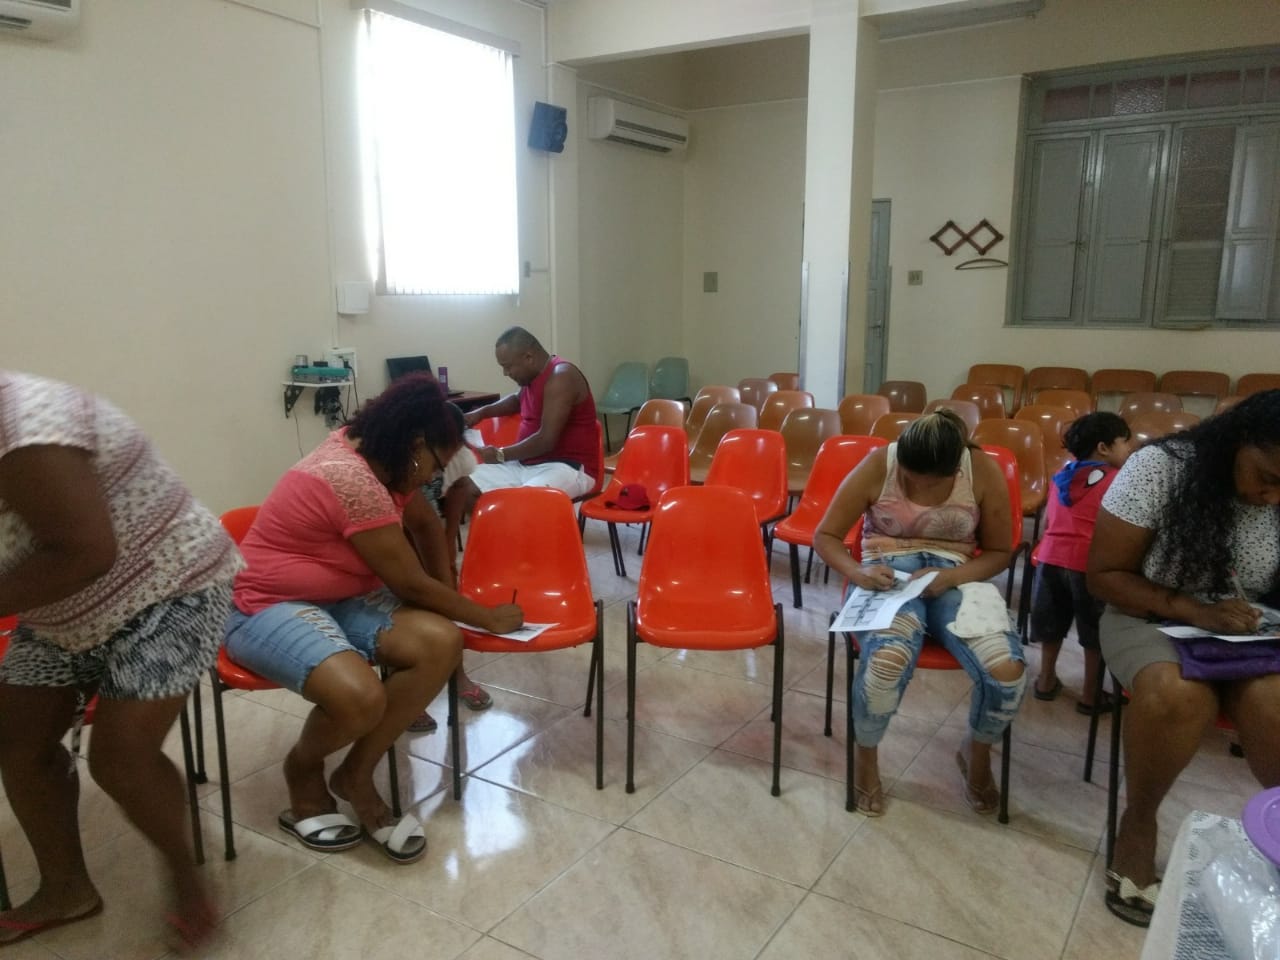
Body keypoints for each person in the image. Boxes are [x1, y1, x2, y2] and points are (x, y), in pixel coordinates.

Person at [224, 374, 521, 865]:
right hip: (265, 604)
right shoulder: (351, 478)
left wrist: (449, 597)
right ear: (416, 444)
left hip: (341, 598)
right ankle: (302, 771)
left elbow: (425, 525)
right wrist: (486, 616)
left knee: (441, 643)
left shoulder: (382, 460)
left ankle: (355, 774)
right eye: (436, 464)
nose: (432, 477)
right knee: (361, 698)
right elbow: (408, 583)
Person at [0, 370, 242, 950]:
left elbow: (85, 551)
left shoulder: (23, 426)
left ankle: (187, 880)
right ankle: (67, 889)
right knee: (18, 744)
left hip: (170, 585)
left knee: (121, 758)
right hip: (60, 609)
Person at [1088, 389, 1280, 928]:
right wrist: (1197, 610)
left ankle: (1276, 831)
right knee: (1178, 695)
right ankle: (1138, 822)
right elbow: (1105, 576)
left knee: (1274, 703)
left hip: (1251, 624)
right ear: (1236, 442)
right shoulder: (1160, 469)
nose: (1272, 497)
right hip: (1149, 614)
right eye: (1266, 477)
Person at [815, 409, 1027, 817]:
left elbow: (1001, 551)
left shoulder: (980, 469)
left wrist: (951, 577)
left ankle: (976, 750)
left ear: (955, 466)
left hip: (956, 574)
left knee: (1007, 673)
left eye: (930, 483)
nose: (916, 487)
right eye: (910, 478)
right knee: (886, 663)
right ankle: (866, 756)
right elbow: (825, 536)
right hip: (885, 573)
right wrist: (857, 571)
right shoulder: (880, 463)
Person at [442, 326, 598, 568]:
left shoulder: (562, 377)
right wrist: (481, 413)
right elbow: (517, 400)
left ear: (528, 357)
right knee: (462, 484)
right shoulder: (532, 378)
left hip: (569, 467)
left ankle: (536, 564)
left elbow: (546, 440)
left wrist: (501, 454)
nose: (506, 373)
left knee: (524, 503)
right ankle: (499, 550)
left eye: (508, 366)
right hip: (526, 464)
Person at [1030, 412, 1133, 712]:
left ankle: (1045, 681)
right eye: (1125, 442)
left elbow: (1047, 521)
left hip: (1050, 557)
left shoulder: (1062, 474)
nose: (1130, 449)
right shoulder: (1118, 479)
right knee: (1093, 632)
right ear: (1104, 448)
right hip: (1089, 564)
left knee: (1051, 625)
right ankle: (1091, 695)